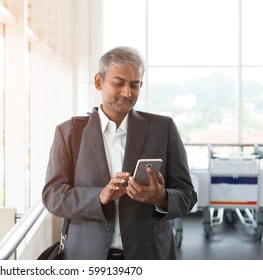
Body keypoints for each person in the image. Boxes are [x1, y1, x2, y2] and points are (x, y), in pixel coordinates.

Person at [42, 46, 197, 260]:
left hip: (149, 255)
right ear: (99, 82)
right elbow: (52, 196)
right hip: (86, 256)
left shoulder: (163, 129)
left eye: (135, 85)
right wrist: (100, 196)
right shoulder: (69, 132)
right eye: (118, 83)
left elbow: (188, 196)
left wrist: (161, 198)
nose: (127, 92)